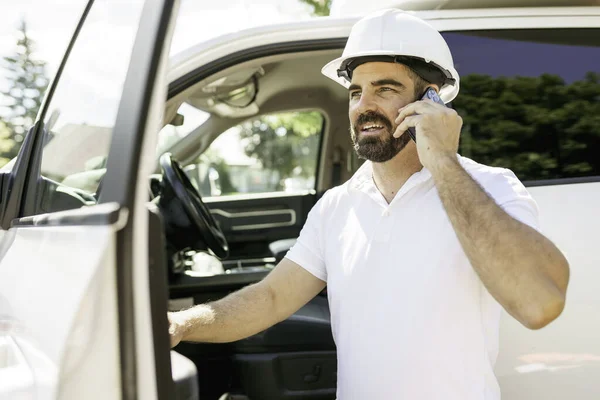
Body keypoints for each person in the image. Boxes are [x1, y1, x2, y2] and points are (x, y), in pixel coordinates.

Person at [168, 9, 570, 399]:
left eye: (385, 88)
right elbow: (270, 298)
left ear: (432, 102)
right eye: (356, 91)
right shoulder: (336, 207)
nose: (363, 106)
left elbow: (539, 303)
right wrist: (181, 324)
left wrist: (443, 161)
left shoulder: (491, 187)